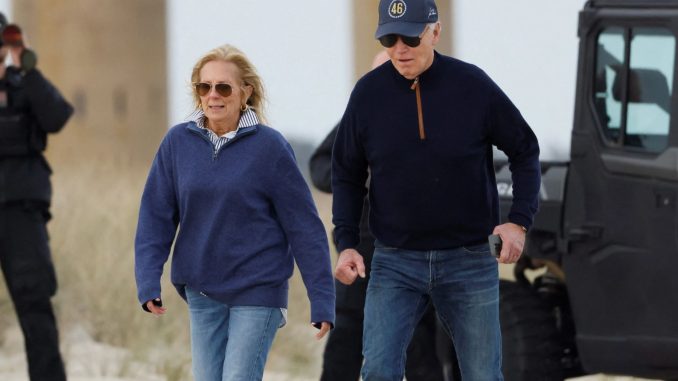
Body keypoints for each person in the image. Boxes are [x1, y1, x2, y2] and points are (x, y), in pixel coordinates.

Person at [331, 1, 541, 380]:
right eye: (390, 37)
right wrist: (345, 242)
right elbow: (345, 172)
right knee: (378, 370)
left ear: (435, 32)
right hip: (395, 261)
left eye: (411, 36)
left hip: (469, 260)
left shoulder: (473, 86)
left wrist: (518, 222)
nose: (400, 48)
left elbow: (525, 149)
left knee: (482, 374)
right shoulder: (367, 95)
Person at [134, 44, 335, 381]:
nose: (213, 95)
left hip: (258, 290)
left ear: (245, 92)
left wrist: (322, 299)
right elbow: (155, 216)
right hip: (202, 290)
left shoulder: (269, 147)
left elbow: (304, 227)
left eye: (223, 87)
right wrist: (147, 280)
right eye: (204, 86)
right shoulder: (177, 143)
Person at [310, 51, 453, 381]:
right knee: (343, 352)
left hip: (418, 262)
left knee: (421, 353)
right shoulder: (357, 118)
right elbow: (319, 166)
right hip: (362, 261)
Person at [0, 14, 73, 381]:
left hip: (21, 213)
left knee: (35, 307)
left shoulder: (25, 86)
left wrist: (27, 65)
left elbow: (57, 116)